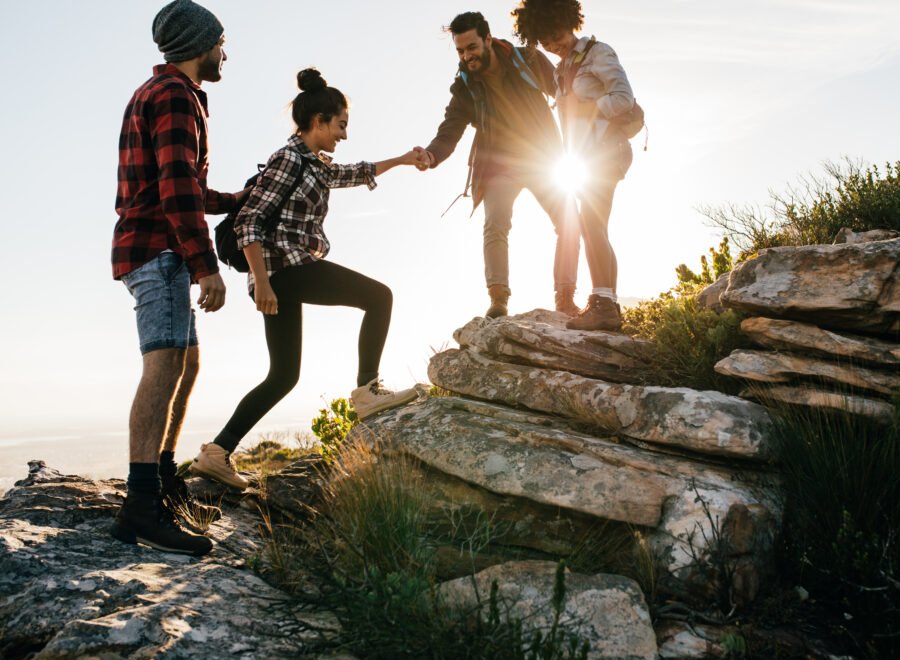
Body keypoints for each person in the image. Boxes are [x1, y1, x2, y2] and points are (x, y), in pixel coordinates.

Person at [189, 68, 420, 491]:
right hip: (286, 270)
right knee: (379, 297)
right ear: (319, 121)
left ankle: (217, 453)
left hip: (282, 275)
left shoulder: (316, 165)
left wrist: (403, 159)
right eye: (341, 125)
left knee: (283, 375)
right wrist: (262, 283)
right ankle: (367, 390)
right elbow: (249, 222)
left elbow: (355, 172)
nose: (344, 135)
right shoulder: (289, 159)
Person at [110, 0, 248, 556]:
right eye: (220, 43)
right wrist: (205, 265)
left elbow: (182, 182)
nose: (224, 53)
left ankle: (163, 480)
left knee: (186, 363)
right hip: (158, 250)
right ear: (200, 44)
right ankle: (141, 505)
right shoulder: (173, 96)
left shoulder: (162, 92)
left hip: (155, 246)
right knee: (163, 366)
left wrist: (237, 199)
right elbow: (176, 189)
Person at [413, 11, 582, 319]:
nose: (466, 56)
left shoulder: (526, 59)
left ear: (488, 39)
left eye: (472, 47)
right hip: (499, 165)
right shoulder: (464, 87)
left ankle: (565, 297)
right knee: (495, 224)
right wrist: (431, 155)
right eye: (460, 51)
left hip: (543, 158)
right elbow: (449, 130)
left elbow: (564, 92)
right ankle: (498, 300)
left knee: (569, 219)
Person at [512, 0, 637, 330]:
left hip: (608, 150)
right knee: (595, 226)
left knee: (591, 223)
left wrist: (588, 108)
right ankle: (607, 304)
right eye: (545, 41)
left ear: (568, 21)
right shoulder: (560, 70)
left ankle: (604, 305)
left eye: (555, 35)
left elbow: (624, 97)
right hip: (584, 158)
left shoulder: (598, 53)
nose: (553, 45)